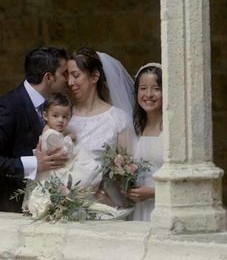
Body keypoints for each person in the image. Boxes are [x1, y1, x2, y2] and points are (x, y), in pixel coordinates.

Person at [0, 47, 69, 212]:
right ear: (49, 77)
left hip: (43, 208)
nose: (68, 80)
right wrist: (34, 164)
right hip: (6, 210)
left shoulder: (53, 108)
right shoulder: (7, 107)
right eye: (64, 73)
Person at [65, 48, 135, 204]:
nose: (70, 82)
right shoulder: (64, 118)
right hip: (66, 204)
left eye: (76, 75)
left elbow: (128, 172)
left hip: (104, 203)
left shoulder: (117, 119)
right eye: (67, 76)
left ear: (94, 76)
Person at [127, 63, 163, 221]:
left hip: (164, 209)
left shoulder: (173, 129)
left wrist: (153, 193)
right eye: (143, 88)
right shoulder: (135, 129)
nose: (149, 94)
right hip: (140, 210)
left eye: (156, 88)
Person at [34, 92, 76, 184]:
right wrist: (69, 137)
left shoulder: (51, 130)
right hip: (53, 175)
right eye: (55, 116)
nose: (60, 120)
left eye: (65, 117)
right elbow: (65, 152)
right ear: (45, 116)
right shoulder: (50, 134)